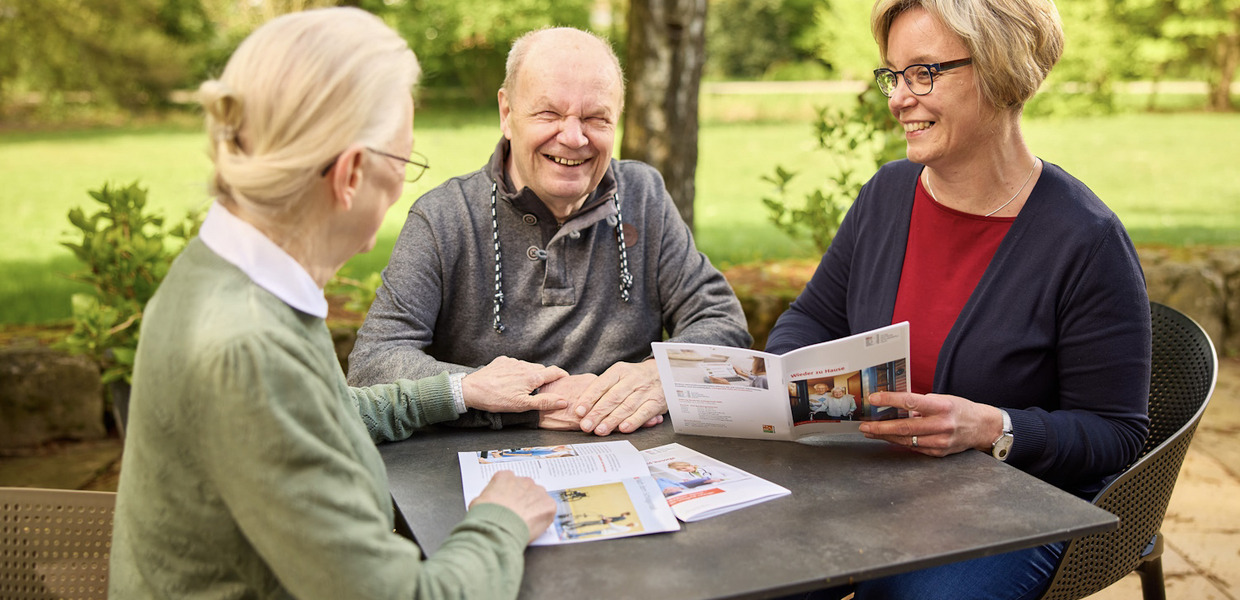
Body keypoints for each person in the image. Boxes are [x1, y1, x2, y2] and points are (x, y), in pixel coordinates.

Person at [108, 9, 560, 599]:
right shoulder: (248, 345)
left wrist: (459, 390)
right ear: (349, 175)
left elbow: (320, 416)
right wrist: (501, 518)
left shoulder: (222, 272)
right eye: (401, 162)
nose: (401, 186)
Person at [764, 1, 1150, 598]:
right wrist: (785, 380)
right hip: (874, 477)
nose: (897, 98)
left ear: (1000, 69)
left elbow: (1116, 434)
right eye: (893, 75)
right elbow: (814, 315)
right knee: (762, 573)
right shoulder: (887, 195)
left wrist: (995, 427)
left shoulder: (1085, 239)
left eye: (924, 72)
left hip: (1016, 504)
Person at [346, 26, 751, 437]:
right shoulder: (443, 218)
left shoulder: (644, 195)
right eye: (549, 114)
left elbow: (722, 321)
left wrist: (661, 377)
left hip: (633, 452)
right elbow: (375, 363)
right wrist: (528, 406)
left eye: (596, 118)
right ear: (507, 114)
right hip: (479, 468)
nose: (574, 137)